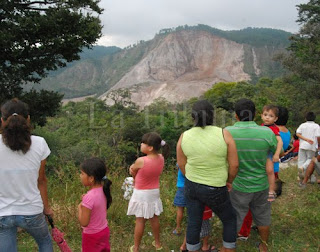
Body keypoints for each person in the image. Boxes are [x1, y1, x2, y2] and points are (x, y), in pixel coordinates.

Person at [176, 100, 239, 252]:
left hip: (192, 187)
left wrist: (191, 178)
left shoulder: (184, 136)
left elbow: (182, 164)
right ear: (213, 116)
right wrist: (229, 181)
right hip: (216, 186)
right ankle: (228, 249)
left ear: (193, 117)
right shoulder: (224, 134)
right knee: (229, 219)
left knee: (194, 222)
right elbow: (234, 165)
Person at [0, 98, 53, 251]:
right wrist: (47, 208)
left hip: (2, 213)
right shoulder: (40, 143)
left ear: (2, 120)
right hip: (32, 210)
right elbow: (41, 180)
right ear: (28, 119)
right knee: (45, 243)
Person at [226, 99, 277, 252]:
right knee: (263, 216)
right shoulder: (267, 132)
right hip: (262, 184)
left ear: (236, 116)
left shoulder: (227, 132)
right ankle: (263, 246)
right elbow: (277, 152)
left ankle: (230, 246)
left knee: (234, 216)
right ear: (255, 115)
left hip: (238, 185)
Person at [127, 132, 170, 252]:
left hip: (141, 193)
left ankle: (135, 247)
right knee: (154, 218)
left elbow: (133, 171)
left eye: (143, 143)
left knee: (140, 220)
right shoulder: (161, 158)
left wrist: (132, 170)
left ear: (150, 147)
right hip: (154, 192)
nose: (141, 144)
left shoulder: (141, 160)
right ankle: (157, 244)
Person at [78, 158, 112, 252]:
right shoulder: (104, 190)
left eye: (82, 173)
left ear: (91, 178)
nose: (80, 176)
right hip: (104, 231)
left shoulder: (89, 197)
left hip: (92, 236)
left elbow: (84, 222)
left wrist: (80, 207)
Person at [296, 112, 320, 180]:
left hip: (302, 145)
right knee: (310, 159)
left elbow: (298, 134)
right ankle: (303, 168)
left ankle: (300, 175)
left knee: (301, 160)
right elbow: (318, 136)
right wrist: (318, 145)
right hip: (312, 146)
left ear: (305, 118)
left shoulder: (302, 125)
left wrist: (305, 139)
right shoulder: (316, 126)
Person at [173, 164, 186, 236]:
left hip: (181, 187)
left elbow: (178, 166)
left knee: (180, 209)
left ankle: (178, 228)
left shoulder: (181, 161)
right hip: (192, 185)